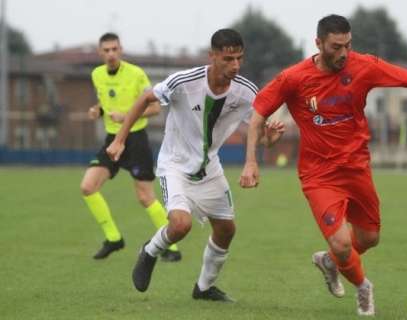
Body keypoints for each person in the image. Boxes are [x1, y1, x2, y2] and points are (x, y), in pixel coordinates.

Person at [239, 14, 407, 316]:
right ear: (318, 43)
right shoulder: (294, 78)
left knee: (369, 238)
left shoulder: (363, 66)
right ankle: (363, 287)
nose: (343, 53)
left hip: (357, 168)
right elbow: (257, 116)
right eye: (336, 46)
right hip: (318, 175)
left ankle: (330, 262)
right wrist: (251, 161)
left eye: (348, 45)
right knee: (343, 243)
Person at [106, 29, 285, 301]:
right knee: (180, 225)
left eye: (239, 58)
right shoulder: (184, 81)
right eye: (228, 59)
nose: (235, 65)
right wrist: (120, 139)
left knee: (227, 230)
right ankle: (150, 251)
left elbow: (258, 130)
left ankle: (203, 288)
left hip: (210, 168)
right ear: (212, 56)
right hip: (175, 165)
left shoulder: (247, 92)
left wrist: (269, 140)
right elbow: (144, 98)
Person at [80, 33, 181, 261]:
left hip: (135, 140)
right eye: (106, 50)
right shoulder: (96, 74)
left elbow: (155, 109)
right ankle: (113, 238)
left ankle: (171, 248)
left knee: (145, 197)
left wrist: (126, 116)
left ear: (121, 49)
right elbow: (105, 102)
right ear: (100, 53)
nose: (111, 54)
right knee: (88, 187)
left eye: (114, 49)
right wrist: (98, 111)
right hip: (111, 140)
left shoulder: (136, 74)